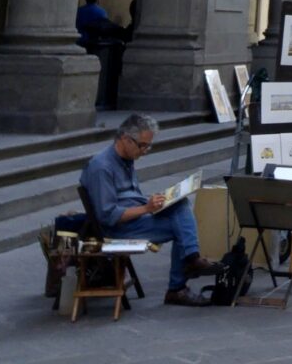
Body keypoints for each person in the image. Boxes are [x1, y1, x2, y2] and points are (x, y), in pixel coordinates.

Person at [79, 114, 218, 306]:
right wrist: (146, 208)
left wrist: (158, 201)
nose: (145, 151)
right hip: (118, 229)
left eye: (148, 146)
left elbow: (129, 197)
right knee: (182, 227)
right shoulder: (102, 167)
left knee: (180, 205)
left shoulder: (125, 159)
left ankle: (190, 262)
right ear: (126, 139)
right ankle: (180, 282)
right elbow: (108, 215)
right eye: (142, 145)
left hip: (135, 217)